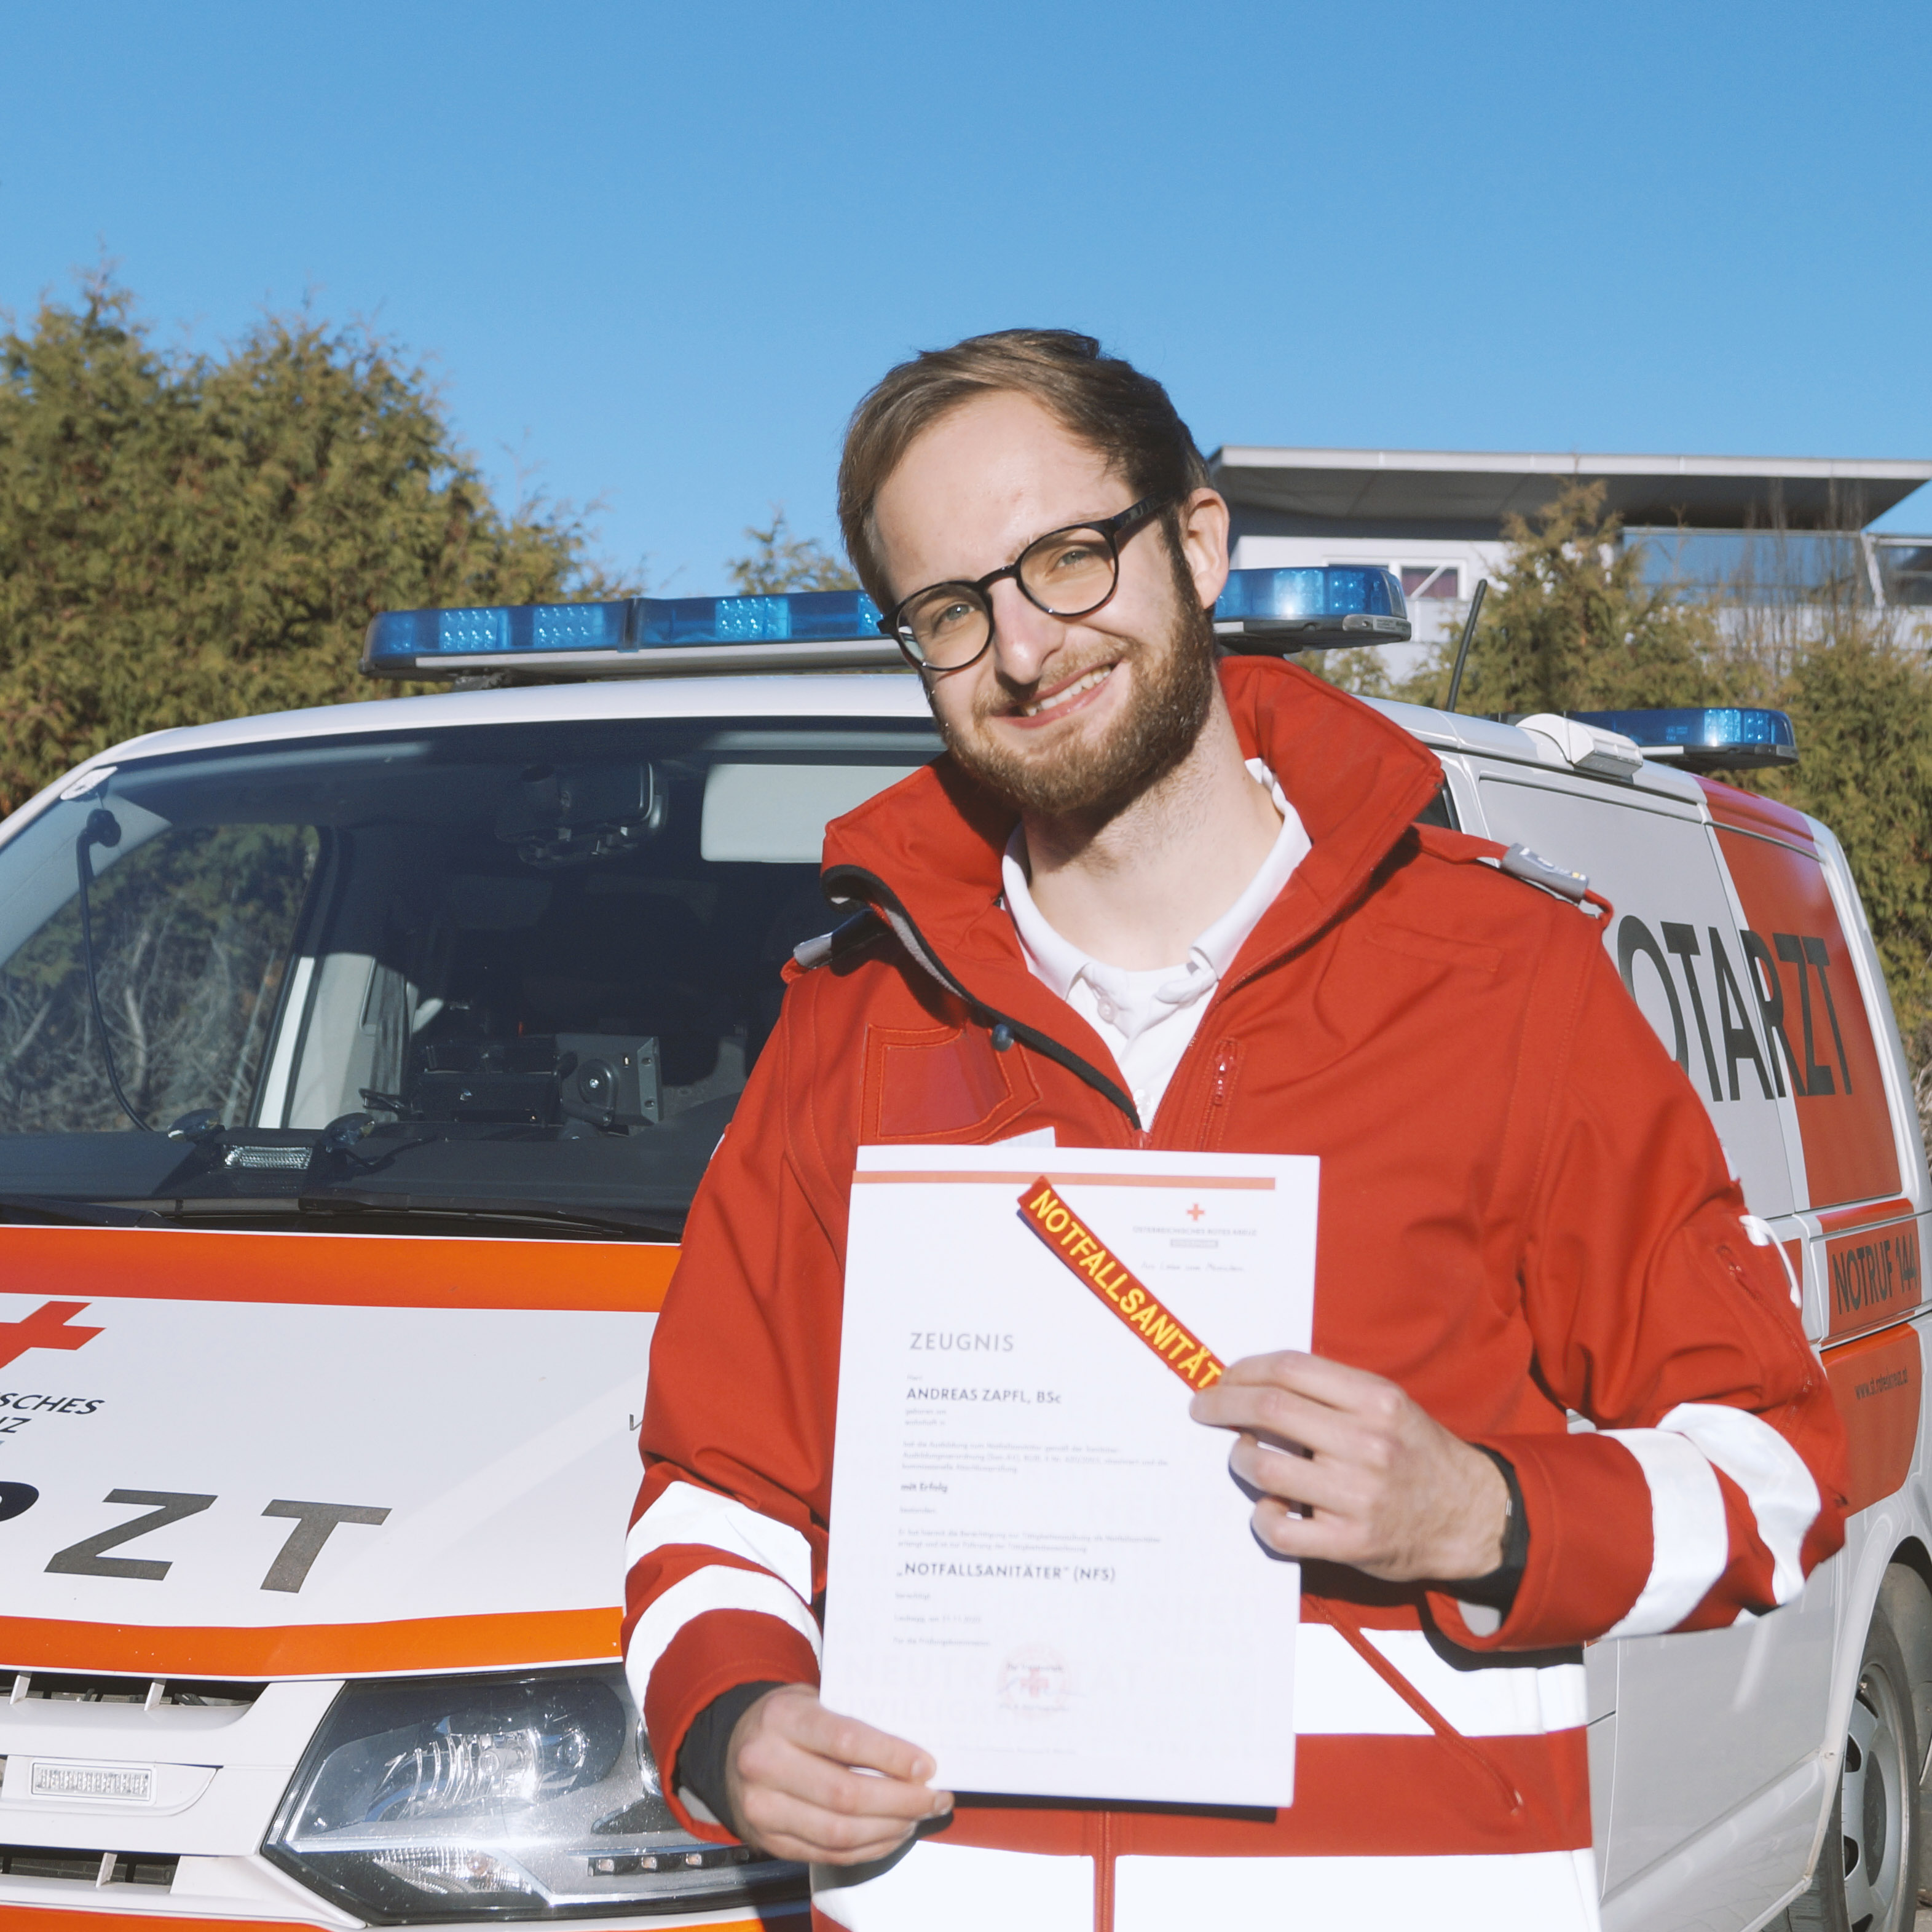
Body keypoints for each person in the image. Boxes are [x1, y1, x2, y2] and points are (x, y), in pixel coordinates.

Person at [621, 329, 1847, 1931]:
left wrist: (1484, 1512)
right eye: (950, 608)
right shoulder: (853, 1019)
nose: (1022, 645)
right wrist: (729, 1719)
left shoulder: (1505, 982)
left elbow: (1776, 1475)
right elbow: (714, 1488)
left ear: (1196, 540)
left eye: (1067, 558)